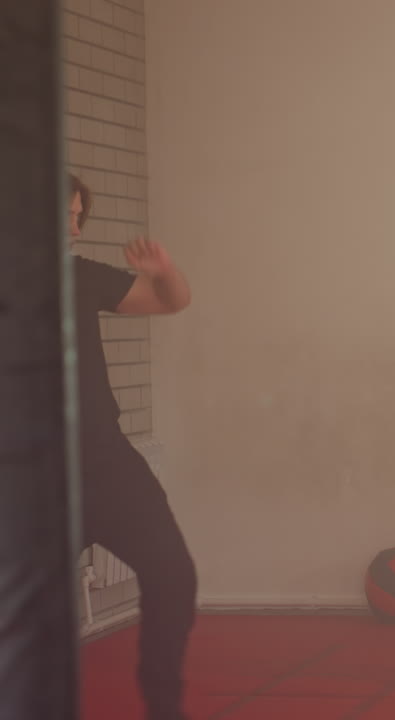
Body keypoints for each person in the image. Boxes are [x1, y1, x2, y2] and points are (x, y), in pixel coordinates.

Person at [69, 174, 198, 720]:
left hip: (105, 462)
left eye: (80, 215)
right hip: (31, 479)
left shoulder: (77, 276)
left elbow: (172, 302)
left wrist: (164, 271)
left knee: (173, 575)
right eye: (65, 214)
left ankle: (163, 706)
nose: (74, 227)